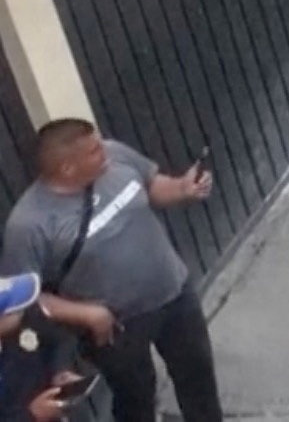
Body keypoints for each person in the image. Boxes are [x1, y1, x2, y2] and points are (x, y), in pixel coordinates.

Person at [2, 121, 222, 422]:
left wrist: (183, 188)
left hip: (173, 294)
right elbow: (25, 297)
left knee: (198, 379)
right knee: (137, 398)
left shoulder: (116, 156)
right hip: (117, 327)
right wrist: (87, 315)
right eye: (94, 151)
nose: (105, 151)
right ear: (67, 168)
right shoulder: (28, 224)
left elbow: (152, 186)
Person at [0, 271, 94, 422]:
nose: (21, 310)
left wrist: (61, 370)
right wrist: (30, 415)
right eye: (12, 310)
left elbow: (59, 339)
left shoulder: (27, 315)